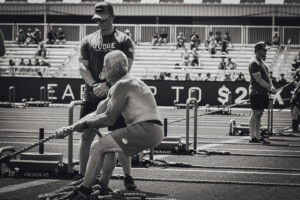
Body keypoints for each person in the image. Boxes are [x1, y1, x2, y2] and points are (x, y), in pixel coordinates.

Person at [54, 50, 163, 199]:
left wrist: (84, 125)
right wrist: (71, 128)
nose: (102, 72)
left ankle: (84, 191)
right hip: (150, 130)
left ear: (117, 66)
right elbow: (99, 111)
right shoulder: (124, 84)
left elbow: (109, 118)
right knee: (106, 147)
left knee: (98, 146)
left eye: (105, 67)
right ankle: (103, 186)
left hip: (146, 129)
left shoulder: (123, 84)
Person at [77, 1, 136, 190]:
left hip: (116, 96)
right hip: (92, 94)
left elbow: (127, 68)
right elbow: (82, 66)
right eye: (96, 19)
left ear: (112, 18)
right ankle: (83, 176)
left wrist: (108, 85)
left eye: (102, 20)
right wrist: (95, 85)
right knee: (86, 136)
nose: (99, 23)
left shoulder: (124, 39)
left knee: (119, 138)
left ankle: (128, 177)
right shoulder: (88, 40)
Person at [248, 41, 276, 143]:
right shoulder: (254, 62)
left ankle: (258, 135)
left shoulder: (260, 61)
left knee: (259, 113)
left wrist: (271, 86)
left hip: (262, 92)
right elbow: (258, 80)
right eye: (264, 50)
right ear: (258, 50)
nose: (266, 52)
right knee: (255, 113)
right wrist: (270, 87)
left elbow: (267, 77)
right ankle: (252, 137)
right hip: (256, 92)